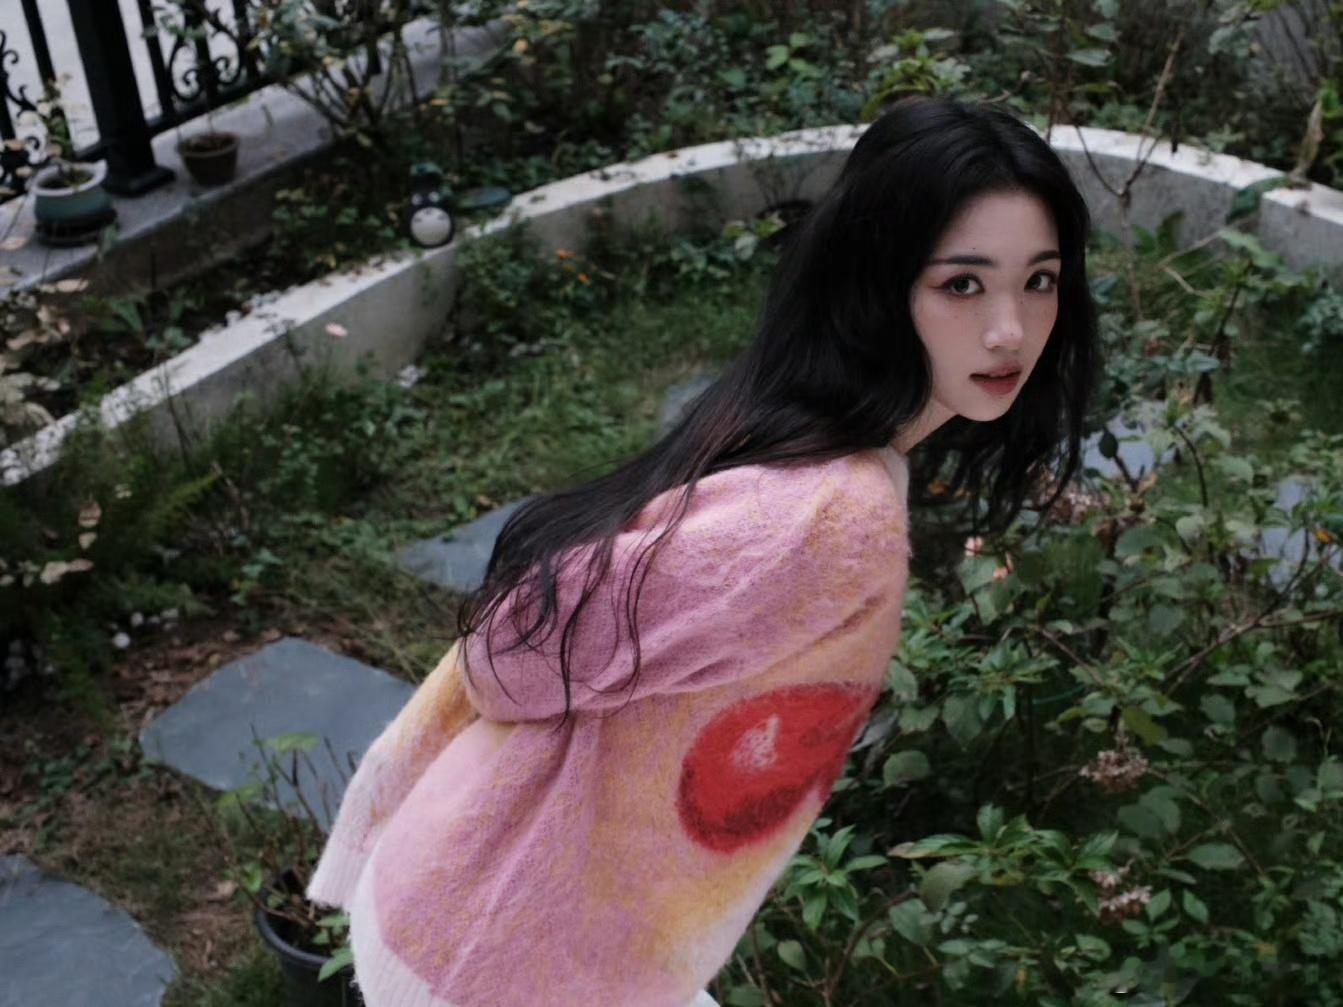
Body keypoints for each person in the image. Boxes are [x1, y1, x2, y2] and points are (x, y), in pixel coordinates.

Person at [306, 95, 1099, 1007]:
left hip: (531, 921)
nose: (1009, 328)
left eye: (1039, 280)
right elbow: (511, 651)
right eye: (962, 284)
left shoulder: (810, 432)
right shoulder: (829, 520)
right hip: (501, 949)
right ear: (877, 283)